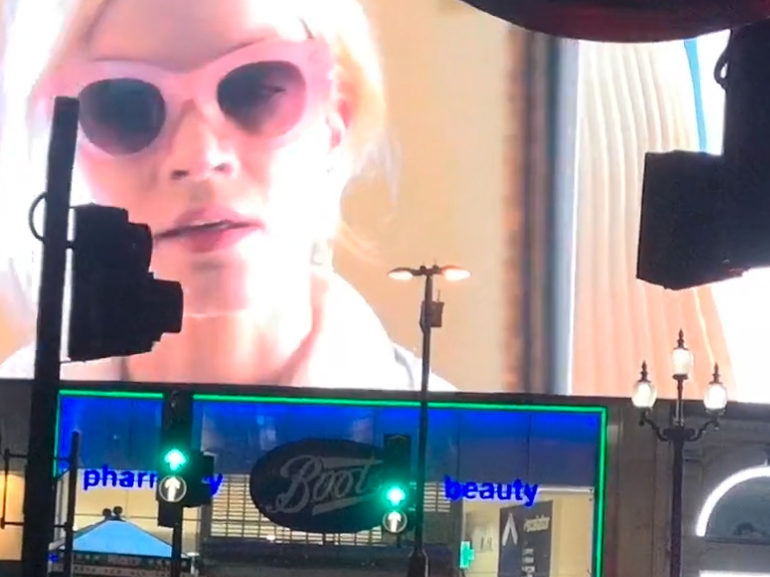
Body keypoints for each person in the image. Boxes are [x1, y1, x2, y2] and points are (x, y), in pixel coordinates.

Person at [0, 0, 452, 391]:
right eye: (123, 106)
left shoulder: (472, 462)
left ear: (337, 119)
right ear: (60, 139)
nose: (199, 156)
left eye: (256, 89)